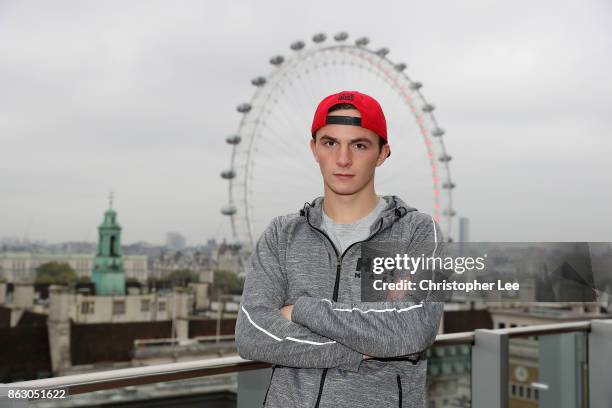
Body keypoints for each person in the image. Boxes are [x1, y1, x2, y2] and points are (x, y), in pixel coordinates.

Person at [235, 90, 444, 408]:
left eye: (359, 145)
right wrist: (357, 350)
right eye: (330, 143)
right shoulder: (282, 235)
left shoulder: (417, 233)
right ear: (314, 149)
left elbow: (414, 328)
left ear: (383, 153)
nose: (343, 159)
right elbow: (252, 332)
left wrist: (301, 311)